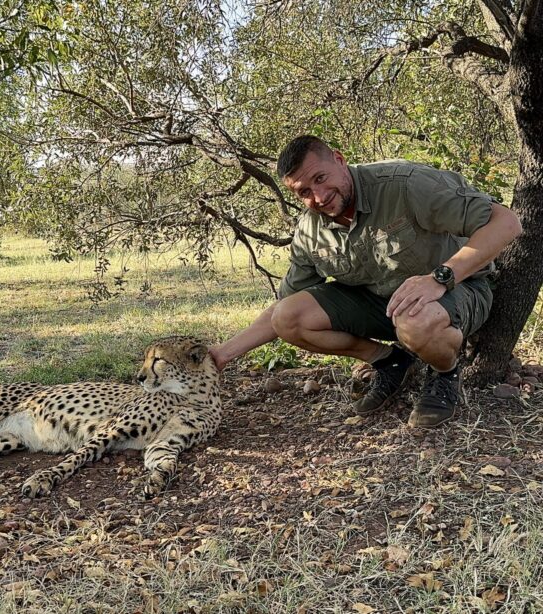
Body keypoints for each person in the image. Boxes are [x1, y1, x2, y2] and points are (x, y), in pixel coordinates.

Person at [209, 135, 522, 428]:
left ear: (339, 160)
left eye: (320, 178)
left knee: (414, 318)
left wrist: (440, 277)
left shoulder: (405, 185)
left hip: (456, 291)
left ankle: (443, 372)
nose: (318, 196)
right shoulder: (310, 231)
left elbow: (507, 222)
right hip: (384, 306)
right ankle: (391, 362)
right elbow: (282, 310)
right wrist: (223, 354)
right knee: (287, 317)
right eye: (304, 192)